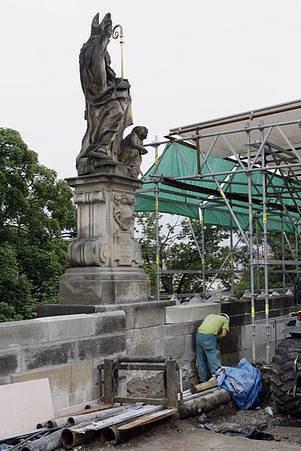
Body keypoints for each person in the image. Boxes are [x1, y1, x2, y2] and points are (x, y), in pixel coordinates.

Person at [196, 313, 230, 382]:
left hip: (198, 335)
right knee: (212, 357)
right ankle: (217, 378)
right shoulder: (225, 320)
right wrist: (216, 338)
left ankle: (202, 380)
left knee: (201, 359)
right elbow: (223, 334)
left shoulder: (210, 315)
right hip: (209, 337)